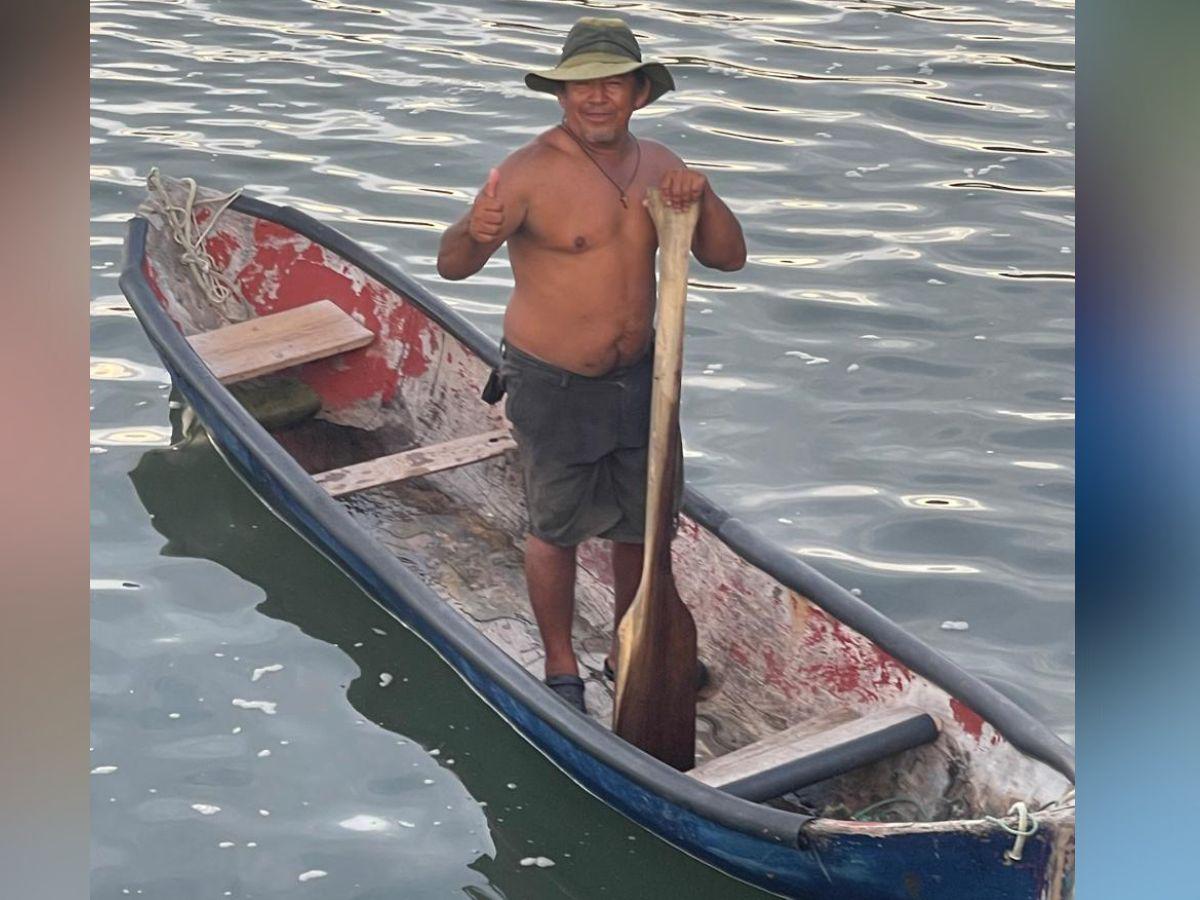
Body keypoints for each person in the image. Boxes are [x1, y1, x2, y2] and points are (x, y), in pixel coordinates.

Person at [437, 17, 746, 713]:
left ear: (639, 92)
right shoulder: (528, 173)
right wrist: (474, 231)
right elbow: (452, 267)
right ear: (561, 96)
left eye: (612, 83)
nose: (597, 97)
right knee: (557, 526)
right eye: (582, 86)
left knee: (644, 519)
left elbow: (728, 257)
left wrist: (704, 198)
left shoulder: (662, 164)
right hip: (554, 382)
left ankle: (628, 645)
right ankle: (561, 667)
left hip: (642, 379)